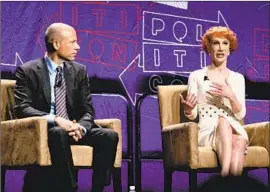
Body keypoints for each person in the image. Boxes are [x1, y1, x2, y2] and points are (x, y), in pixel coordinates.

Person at [14, 23, 119, 192]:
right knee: (58, 132)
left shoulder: (79, 71)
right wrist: (56, 120)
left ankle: (98, 188)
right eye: (72, 42)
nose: (77, 47)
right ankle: (70, 187)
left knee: (109, 136)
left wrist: (81, 128)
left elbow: (87, 110)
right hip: (47, 131)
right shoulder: (28, 71)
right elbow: (22, 108)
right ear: (56, 44)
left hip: (74, 128)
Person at [180, 26, 248, 176]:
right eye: (216, 43)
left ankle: (226, 183)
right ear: (208, 48)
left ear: (229, 49)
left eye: (225, 43)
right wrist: (188, 109)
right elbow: (192, 115)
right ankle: (225, 179)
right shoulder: (196, 76)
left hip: (234, 126)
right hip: (208, 129)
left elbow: (240, 114)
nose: (221, 48)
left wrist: (231, 95)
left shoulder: (237, 78)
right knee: (225, 125)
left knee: (239, 141)